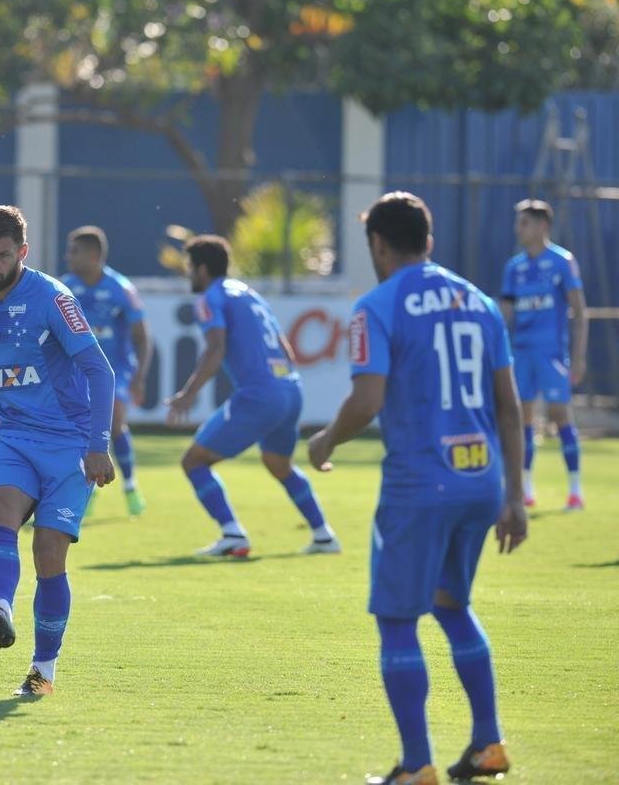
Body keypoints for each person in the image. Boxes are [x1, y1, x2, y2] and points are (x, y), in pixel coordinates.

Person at [308, 192, 528, 785]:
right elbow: (509, 408)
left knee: (397, 620)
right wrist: (515, 495)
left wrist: (326, 440)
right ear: (428, 241)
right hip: (481, 482)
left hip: (419, 485)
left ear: (378, 244)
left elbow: (368, 400)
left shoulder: (376, 306)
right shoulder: (480, 302)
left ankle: (416, 765)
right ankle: (488, 745)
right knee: (453, 605)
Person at [0, 205, 116, 697]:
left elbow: (101, 372)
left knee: (48, 553)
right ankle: (2, 610)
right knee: (1, 510)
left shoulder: (53, 298)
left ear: (22, 253)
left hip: (70, 443)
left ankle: (43, 672)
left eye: (3, 255)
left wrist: (99, 446)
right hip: (15, 438)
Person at [166, 235, 338, 557]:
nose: (189, 275)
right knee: (278, 463)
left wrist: (188, 393)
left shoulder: (210, 297)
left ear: (202, 269)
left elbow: (215, 347)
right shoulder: (249, 293)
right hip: (291, 388)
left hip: (261, 394)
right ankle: (323, 535)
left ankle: (232, 533)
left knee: (194, 461)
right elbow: (285, 348)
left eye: (191, 267)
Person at [500, 199, 588, 510]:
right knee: (523, 419)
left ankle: (575, 490)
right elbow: (504, 313)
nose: (518, 229)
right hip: (521, 353)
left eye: (524, 223)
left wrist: (578, 357)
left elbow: (579, 312)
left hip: (551, 352)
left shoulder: (563, 261)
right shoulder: (515, 267)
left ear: (542, 226)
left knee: (560, 416)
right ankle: (525, 488)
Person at [61, 225, 153, 516]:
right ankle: (87, 488)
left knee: (113, 424)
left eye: (74, 251)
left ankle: (130, 486)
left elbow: (142, 336)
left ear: (93, 255)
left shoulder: (121, 289)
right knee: (78, 429)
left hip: (116, 370)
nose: (68, 257)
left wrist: (140, 376)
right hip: (78, 372)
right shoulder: (64, 287)